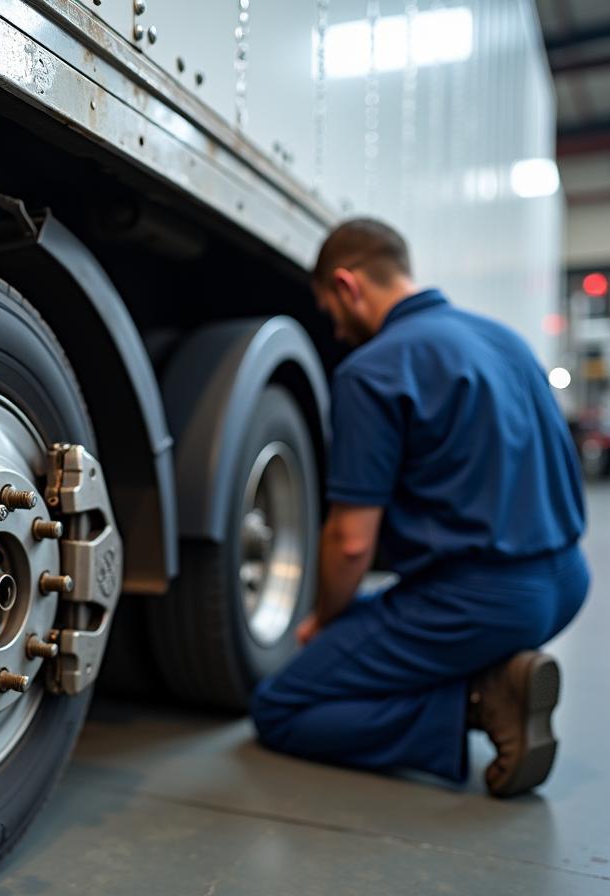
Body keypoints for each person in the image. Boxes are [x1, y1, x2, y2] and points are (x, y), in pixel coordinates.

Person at [250, 218, 590, 797]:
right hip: (566, 584)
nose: (335, 328)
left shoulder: (374, 369)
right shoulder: (505, 340)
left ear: (348, 284)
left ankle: (478, 704)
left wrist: (326, 621)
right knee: (377, 628)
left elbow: (352, 541)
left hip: (483, 602)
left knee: (282, 706)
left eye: (330, 310)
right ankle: (489, 672)